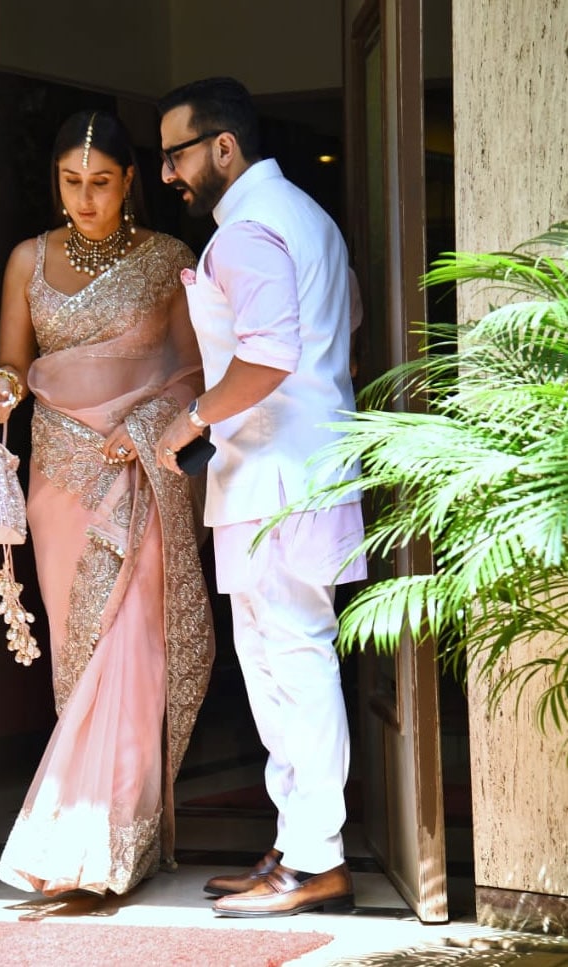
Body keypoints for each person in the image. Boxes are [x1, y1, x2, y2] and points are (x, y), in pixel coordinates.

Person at [0, 109, 215, 899]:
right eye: (71, 183)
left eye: (101, 183)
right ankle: (80, 830)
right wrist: (3, 385)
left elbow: (197, 375)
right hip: (61, 475)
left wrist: (147, 427)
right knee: (80, 650)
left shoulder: (166, 259)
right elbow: (14, 359)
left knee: (135, 645)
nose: (85, 199)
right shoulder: (26, 259)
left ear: (130, 181)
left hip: (141, 469)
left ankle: (114, 840)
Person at [156, 77, 367, 918]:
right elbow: (343, 325)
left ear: (221, 147)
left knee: (291, 663)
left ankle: (315, 859)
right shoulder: (307, 217)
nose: (167, 171)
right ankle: (295, 844)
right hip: (300, 469)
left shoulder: (247, 228)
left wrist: (189, 421)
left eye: (175, 152)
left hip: (278, 477)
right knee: (282, 664)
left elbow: (270, 353)